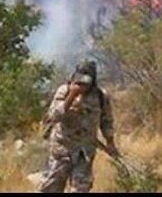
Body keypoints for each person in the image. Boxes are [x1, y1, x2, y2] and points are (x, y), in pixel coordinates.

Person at [38, 60, 116, 193]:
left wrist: (110, 142)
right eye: (80, 81)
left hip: (84, 153)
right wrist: (71, 96)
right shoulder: (64, 91)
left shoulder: (100, 96)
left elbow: (106, 120)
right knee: (50, 188)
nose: (82, 85)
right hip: (62, 150)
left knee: (81, 189)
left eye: (86, 82)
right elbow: (54, 115)